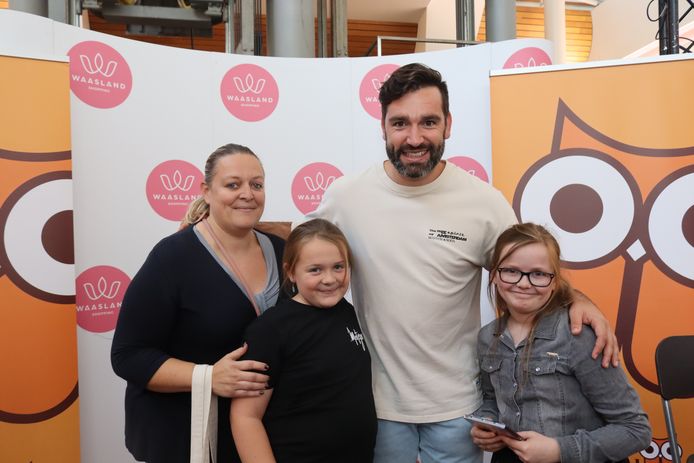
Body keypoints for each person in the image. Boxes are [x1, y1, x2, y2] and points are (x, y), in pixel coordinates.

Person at [308, 63, 620, 463]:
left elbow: (529, 269)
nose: (415, 137)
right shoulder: (344, 197)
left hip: (460, 406)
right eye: (400, 123)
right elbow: (302, 265)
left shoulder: (483, 201)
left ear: (448, 124)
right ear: (382, 126)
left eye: (429, 122)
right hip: (375, 403)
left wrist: (577, 298)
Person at [111, 143, 285, 463]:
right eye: (233, 184)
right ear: (206, 191)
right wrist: (206, 377)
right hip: (181, 438)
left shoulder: (281, 250)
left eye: (256, 184)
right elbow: (128, 355)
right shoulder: (172, 258)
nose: (247, 193)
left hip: (255, 439)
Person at [471, 223, 651, 463]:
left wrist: (559, 450)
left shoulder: (579, 336)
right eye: (511, 271)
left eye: (538, 274)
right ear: (494, 275)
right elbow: (492, 399)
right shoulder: (487, 337)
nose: (524, 283)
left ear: (555, 281)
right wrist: (487, 423)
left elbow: (635, 429)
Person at [230, 218, 377, 463]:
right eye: (315, 270)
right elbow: (246, 416)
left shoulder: (348, 312)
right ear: (291, 272)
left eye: (338, 267)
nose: (329, 279)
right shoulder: (271, 329)